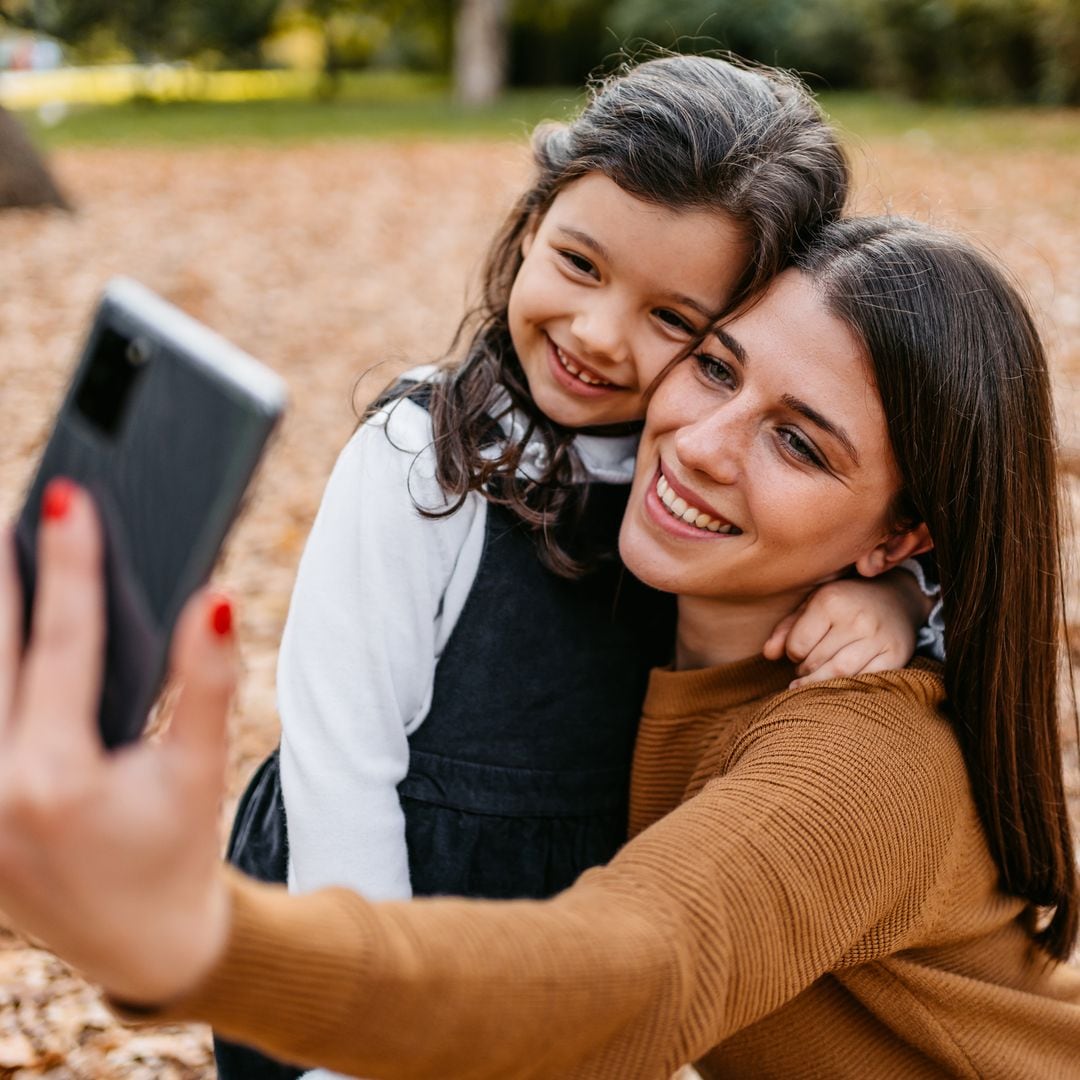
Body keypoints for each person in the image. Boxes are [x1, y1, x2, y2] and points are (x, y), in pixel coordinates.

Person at [1, 215, 1076, 1078]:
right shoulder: (634, 579)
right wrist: (910, 598)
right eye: (712, 366)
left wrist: (192, 941)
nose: (698, 447)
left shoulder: (860, 757)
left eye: (796, 441)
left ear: (901, 535)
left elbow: (636, 978)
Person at [229, 52, 937, 1080]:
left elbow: (950, 583)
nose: (598, 337)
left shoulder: (701, 473)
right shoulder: (421, 459)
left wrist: (897, 595)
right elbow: (342, 763)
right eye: (578, 264)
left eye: (673, 321)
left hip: (580, 921)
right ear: (529, 225)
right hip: (365, 900)